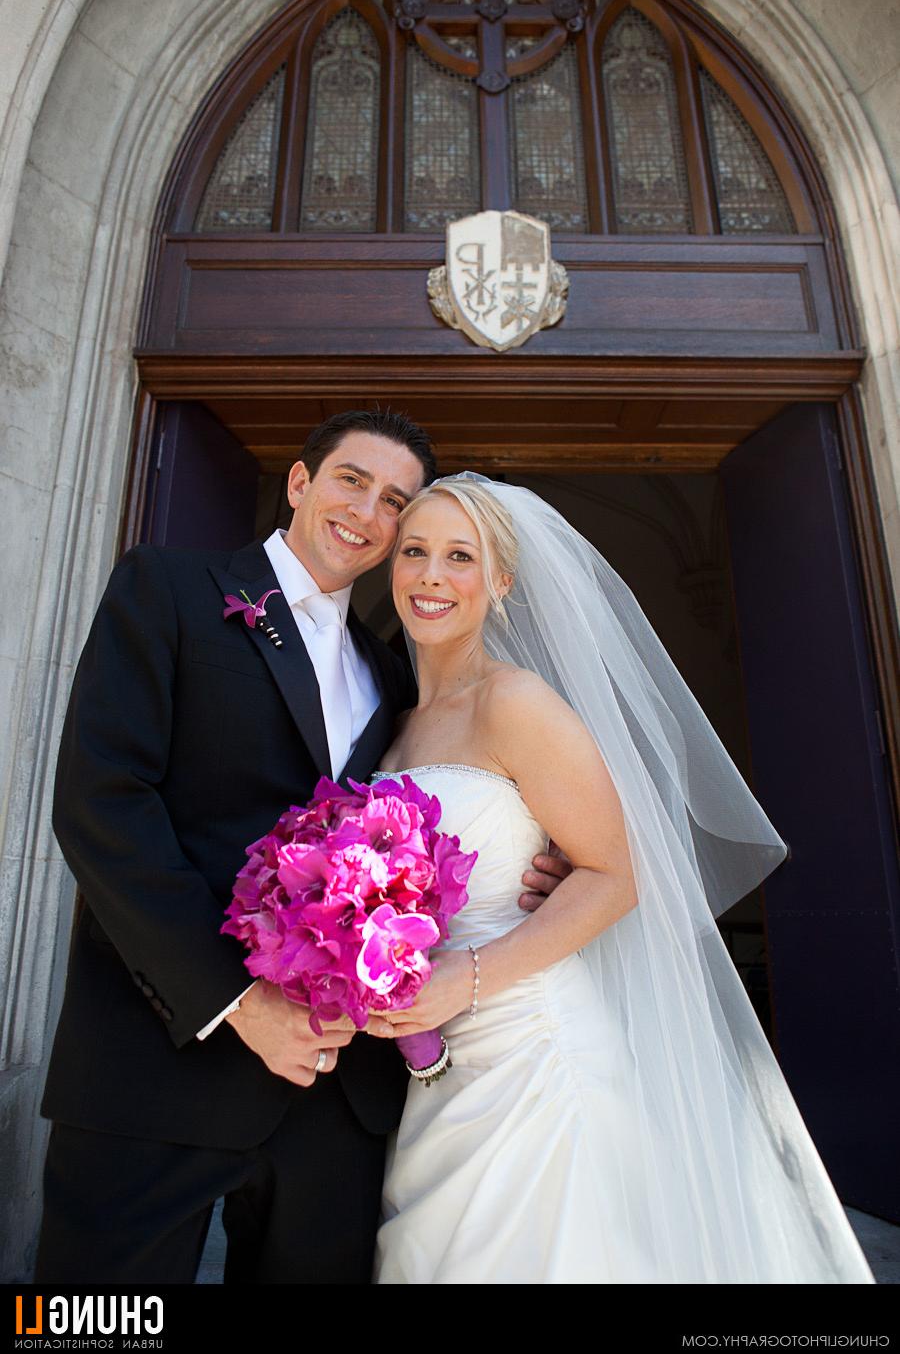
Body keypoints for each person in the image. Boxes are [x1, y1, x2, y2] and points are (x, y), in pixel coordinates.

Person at [36, 410, 568, 1285]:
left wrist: (529, 869)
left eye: (394, 500)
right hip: (160, 1058)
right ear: (299, 484)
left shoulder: (396, 673)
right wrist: (237, 1002)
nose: (367, 509)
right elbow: (103, 807)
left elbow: (439, 816)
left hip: (337, 1092)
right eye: (351, 480)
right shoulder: (166, 589)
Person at [371, 474, 877, 1284]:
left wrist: (460, 979)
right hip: (435, 1063)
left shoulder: (517, 703)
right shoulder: (394, 722)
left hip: (533, 1054)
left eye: (460, 556)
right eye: (415, 552)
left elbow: (618, 872)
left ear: (500, 583)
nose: (431, 575)